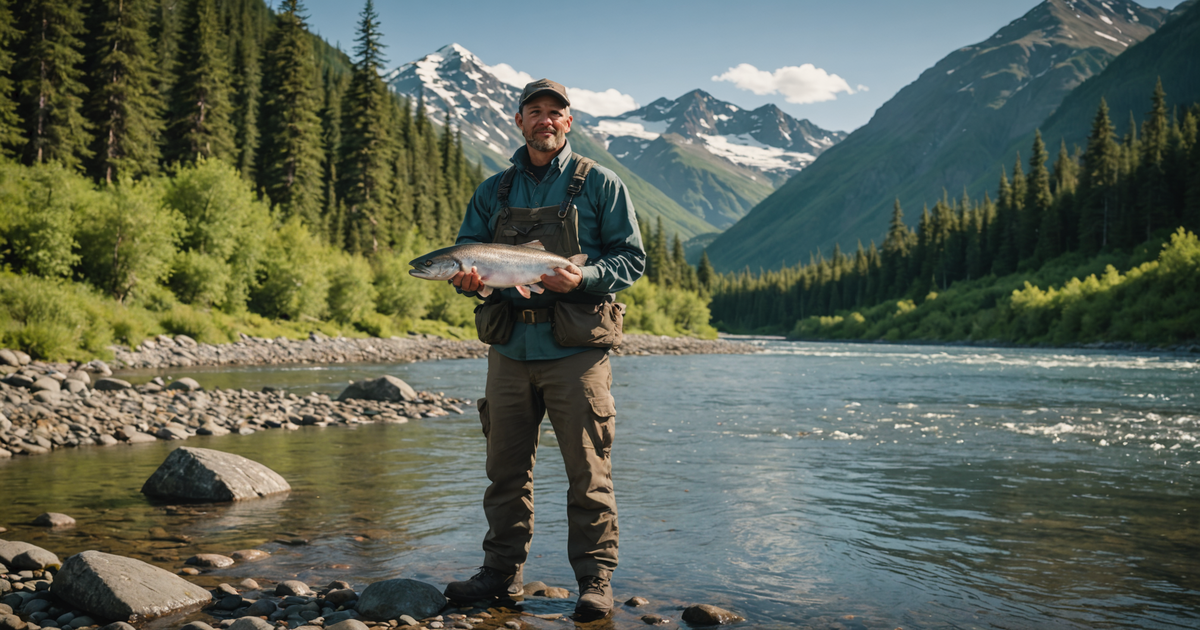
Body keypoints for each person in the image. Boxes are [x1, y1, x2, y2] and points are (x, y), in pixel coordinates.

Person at [442, 78, 646, 619]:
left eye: (556, 112)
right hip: (509, 350)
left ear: (569, 122)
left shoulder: (600, 183)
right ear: (519, 121)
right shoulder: (493, 192)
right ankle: (500, 575)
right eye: (535, 111)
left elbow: (631, 261)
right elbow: (470, 261)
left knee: (588, 471)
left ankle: (595, 580)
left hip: (576, 353)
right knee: (504, 471)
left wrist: (581, 279)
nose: (545, 120)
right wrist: (474, 283)